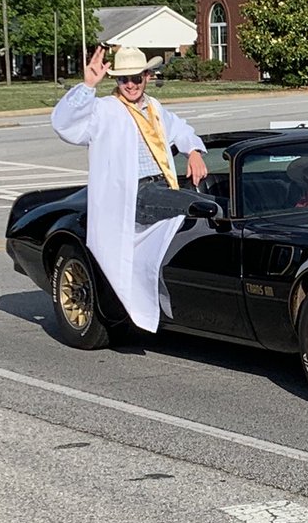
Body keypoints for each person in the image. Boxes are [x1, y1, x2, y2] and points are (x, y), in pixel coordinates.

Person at [50, 45, 209, 332]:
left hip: (163, 187)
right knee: (201, 207)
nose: (131, 85)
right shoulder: (104, 110)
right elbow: (64, 125)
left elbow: (182, 130)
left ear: (147, 76)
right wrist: (87, 86)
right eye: (124, 79)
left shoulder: (155, 108)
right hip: (133, 195)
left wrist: (194, 151)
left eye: (136, 77)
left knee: (206, 204)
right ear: (116, 81)